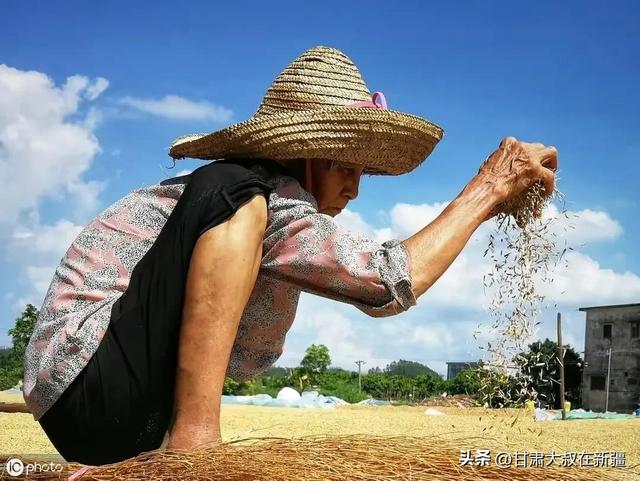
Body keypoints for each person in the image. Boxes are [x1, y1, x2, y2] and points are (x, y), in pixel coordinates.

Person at [22, 46, 557, 465]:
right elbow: (390, 281)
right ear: (302, 155)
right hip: (90, 377)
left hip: (116, 414)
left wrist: (491, 202)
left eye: (360, 170)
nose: (353, 188)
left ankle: (167, 441)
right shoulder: (253, 193)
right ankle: (194, 443)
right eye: (341, 165)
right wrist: (489, 188)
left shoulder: (278, 214)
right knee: (230, 193)